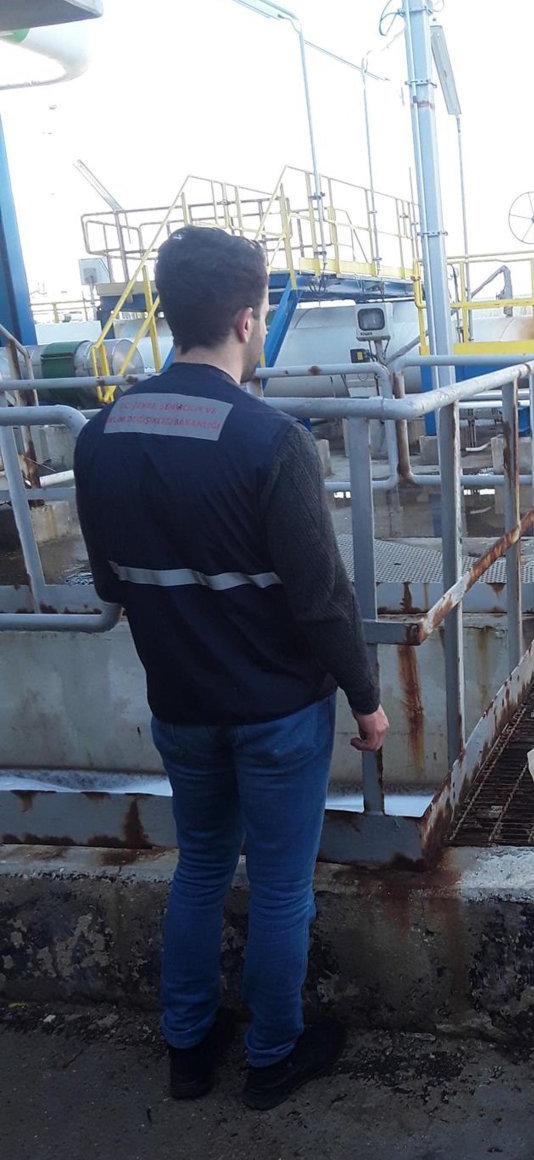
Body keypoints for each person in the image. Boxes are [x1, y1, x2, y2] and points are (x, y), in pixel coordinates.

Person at [74, 225, 389, 1111]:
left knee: (201, 868)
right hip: (277, 711)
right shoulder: (272, 442)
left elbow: (109, 580)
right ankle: (272, 1054)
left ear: (169, 312)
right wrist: (367, 701)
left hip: (180, 703)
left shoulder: (99, 436)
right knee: (282, 885)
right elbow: (321, 599)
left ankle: (186, 1047)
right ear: (248, 320)